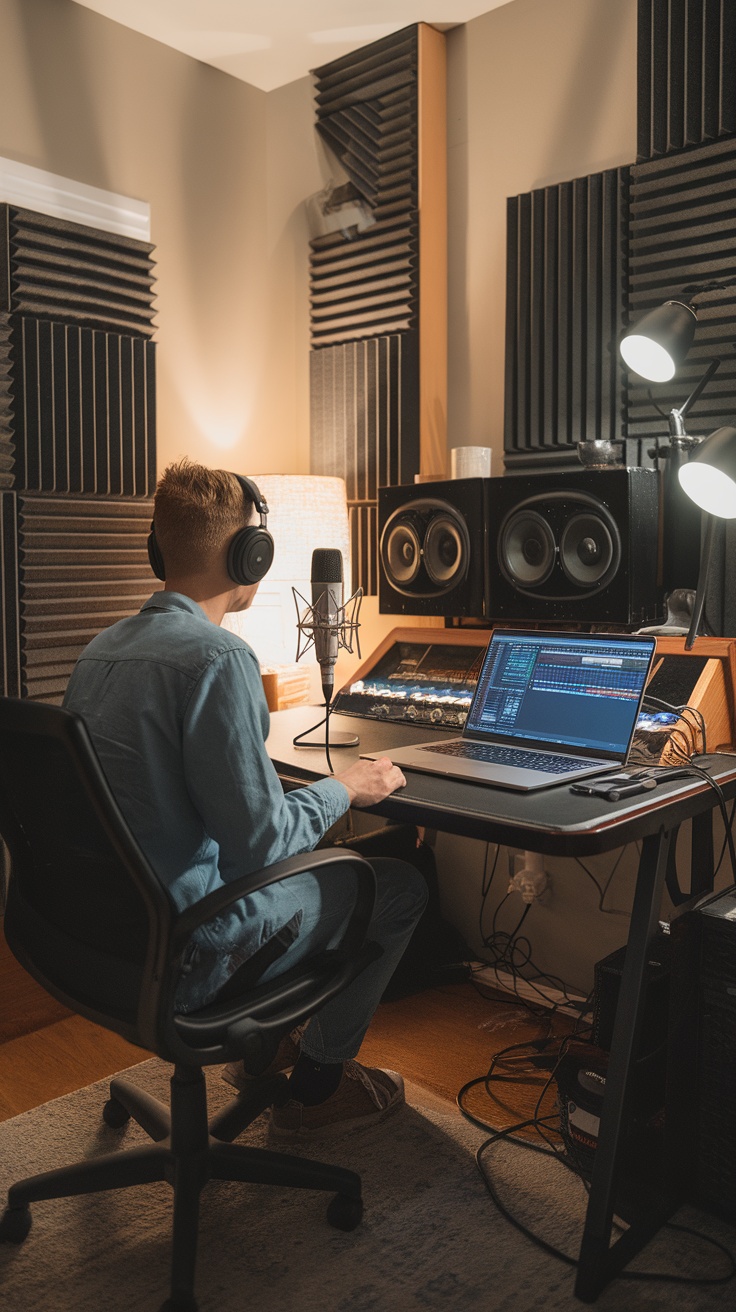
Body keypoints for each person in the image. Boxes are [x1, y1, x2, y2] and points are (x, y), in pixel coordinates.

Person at [63, 458, 427, 1138]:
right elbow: (258, 845)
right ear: (248, 555)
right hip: (195, 957)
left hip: (106, 943)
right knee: (399, 885)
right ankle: (320, 1089)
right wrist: (343, 786)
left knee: (343, 869)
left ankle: (270, 1055)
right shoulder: (216, 659)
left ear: (158, 548)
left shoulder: (100, 651)